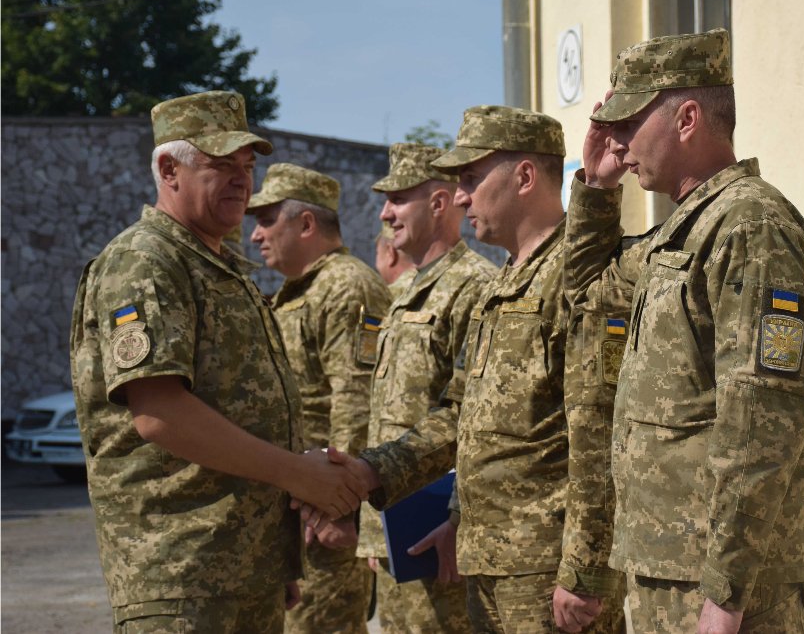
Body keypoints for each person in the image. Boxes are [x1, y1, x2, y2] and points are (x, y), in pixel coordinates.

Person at [318, 107, 626, 633]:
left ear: (524, 177)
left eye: (470, 179)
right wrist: (383, 477)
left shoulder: (579, 277)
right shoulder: (501, 285)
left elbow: (600, 431)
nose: (460, 198)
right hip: (490, 563)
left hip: (547, 569)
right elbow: (466, 417)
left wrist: (585, 568)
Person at [69, 91, 367, 633]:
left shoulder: (219, 266)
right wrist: (299, 475)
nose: (241, 180)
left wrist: (271, 550)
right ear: (169, 170)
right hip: (182, 575)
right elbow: (160, 413)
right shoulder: (145, 259)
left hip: (240, 571)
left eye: (247, 166)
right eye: (222, 165)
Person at [567, 29, 804, 633]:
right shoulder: (680, 233)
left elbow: (761, 422)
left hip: (717, 588)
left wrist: (726, 592)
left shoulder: (751, 227)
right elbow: (587, 296)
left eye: (629, 123)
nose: (617, 141)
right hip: (666, 570)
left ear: (687, 119)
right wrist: (598, 188)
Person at [247, 162, 392, 634]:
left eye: (266, 220)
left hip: (323, 517)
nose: (255, 235)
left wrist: (338, 507)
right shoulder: (296, 291)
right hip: (298, 507)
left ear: (306, 223)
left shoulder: (346, 285)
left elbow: (356, 400)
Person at [357, 142, 495, 633]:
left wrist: (460, 522)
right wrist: (373, 534)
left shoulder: (475, 286)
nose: (385, 213)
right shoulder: (402, 293)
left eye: (398, 199)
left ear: (438, 203)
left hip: (438, 528)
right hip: (394, 524)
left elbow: (474, 419)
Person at [374, 221, 416, 297]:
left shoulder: (388, 297)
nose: (376, 264)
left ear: (390, 253)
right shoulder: (435, 280)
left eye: (377, 253)